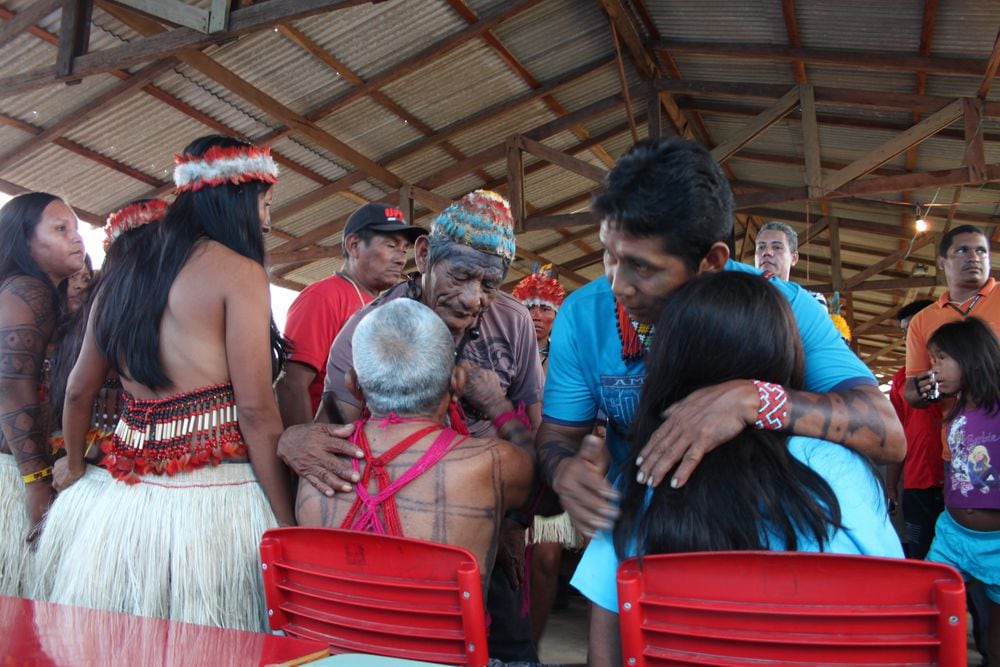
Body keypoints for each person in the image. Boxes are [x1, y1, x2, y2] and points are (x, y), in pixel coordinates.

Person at [536, 138, 905, 537]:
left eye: (642, 267)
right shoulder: (582, 315)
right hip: (650, 530)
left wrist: (752, 399)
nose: (617, 286)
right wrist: (563, 471)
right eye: (609, 254)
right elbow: (558, 436)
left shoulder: (781, 309)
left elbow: (885, 432)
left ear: (711, 261)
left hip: (770, 533)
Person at [573, 271, 903, 667]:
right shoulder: (845, 469)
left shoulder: (645, 475)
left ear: (669, 365)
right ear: (787, 354)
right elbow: (895, 616)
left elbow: (604, 658)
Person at [36, 136, 295, 632]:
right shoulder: (239, 272)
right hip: (220, 505)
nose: (267, 219)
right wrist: (286, 522)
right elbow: (258, 414)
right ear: (237, 200)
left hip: (125, 510)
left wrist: (71, 465)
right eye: (265, 204)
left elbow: (76, 391)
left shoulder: (122, 273)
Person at [283, 189, 542, 661]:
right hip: (393, 534)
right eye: (461, 275)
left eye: (491, 283)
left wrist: (511, 519)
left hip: (487, 514)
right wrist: (291, 438)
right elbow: (331, 432)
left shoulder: (515, 321)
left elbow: (536, 423)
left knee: (503, 632)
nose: (473, 299)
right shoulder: (367, 330)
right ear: (424, 256)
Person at [296, 298, 533, 596]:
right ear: (456, 383)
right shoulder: (494, 463)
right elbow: (547, 490)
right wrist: (499, 406)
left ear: (354, 385)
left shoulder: (314, 461)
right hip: (438, 643)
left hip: (327, 642)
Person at [0, 192, 84, 596]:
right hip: (16, 474)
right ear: (25, 241)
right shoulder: (28, 292)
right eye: (60, 229)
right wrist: (36, 483)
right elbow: (11, 385)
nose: (77, 239)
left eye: (77, 229)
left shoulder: (42, 294)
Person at [275, 203, 424, 427]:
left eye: (404, 249)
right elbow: (291, 385)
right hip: (331, 444)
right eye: (391, 246)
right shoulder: (323, 296)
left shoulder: (385, 304)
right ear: (354, 246)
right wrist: (307, 450)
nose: (401, 259)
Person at [924, 317, 1000, 665]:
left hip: (996, 543)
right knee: (926, 602)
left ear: (970, 357)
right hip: (951, 533)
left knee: (997, 635)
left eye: (941, 359)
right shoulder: (954, 410)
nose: (934, 368)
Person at [511, 268, 578, 646]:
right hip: (510, 464)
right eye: (529, 307)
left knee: (547, 562)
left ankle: (530, 648)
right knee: (509, 563)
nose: (536, 316)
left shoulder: (569, 357)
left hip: (552, 469)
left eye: (546, 310)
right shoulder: (502, 352)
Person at [904, 224, 1000, 408]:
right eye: (962, 250)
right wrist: (924, 388)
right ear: (941, 262)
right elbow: (911, 391)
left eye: (981, 251)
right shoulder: (921, 321)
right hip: (961, 430)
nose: (974, 258)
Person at [887, 299, 944, 560]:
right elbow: (896, 433)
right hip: (917, 482)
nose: (911, 336)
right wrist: (890, 486)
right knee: (922, 555)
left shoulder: (955, 370)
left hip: (957, 480)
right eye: (905, 332)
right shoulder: (901, 379)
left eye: (917, 328)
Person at [754, 220, 827, 309]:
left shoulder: (813, 299)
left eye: (777, 247)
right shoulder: (741, 297)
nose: (766, 252)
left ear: (794, 258)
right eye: (761, 247)